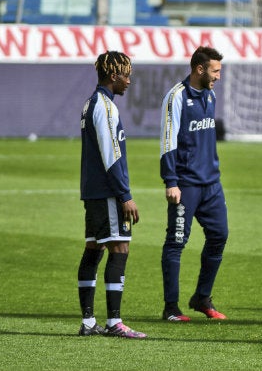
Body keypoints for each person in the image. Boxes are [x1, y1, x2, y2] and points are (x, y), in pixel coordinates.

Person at [77, 51, 146, 339]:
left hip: (93, 190)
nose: (129, 81)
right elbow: (111, 155)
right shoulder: (105, 107)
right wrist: (125, 195)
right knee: (119, 247)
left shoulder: (90, 103)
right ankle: (115, 322)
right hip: (107, 192)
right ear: (113, 75)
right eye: (126, 75)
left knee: (94, 248)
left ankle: (89, 322)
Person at [160, 46, 229, 322]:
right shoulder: (176, 97)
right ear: (199, 69)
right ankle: (171, 308)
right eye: (215, 71)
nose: (219, 77)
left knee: (219, 235)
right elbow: (168, 141)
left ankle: (202, 297)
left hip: (211, 184)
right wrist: (171, 181)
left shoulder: (210, 95)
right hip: (185, 184)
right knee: (176, 242)